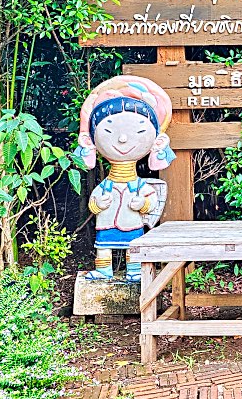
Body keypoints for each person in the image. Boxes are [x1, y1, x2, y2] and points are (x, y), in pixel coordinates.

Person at [75, 76, 175, 282]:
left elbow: (151, 203)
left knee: (134, 247)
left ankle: (135, 270)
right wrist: (97, 204)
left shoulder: (140, 185)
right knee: (103, 247)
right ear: (91, 140)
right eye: (109, 131)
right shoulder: (105, 186)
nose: (122, 139)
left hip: (132, 224)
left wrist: (144, 203)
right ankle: (103, 270)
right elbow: (93, 204)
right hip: (106, 223)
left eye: (138, 131)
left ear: (157, 141)